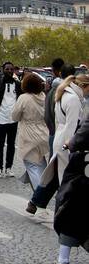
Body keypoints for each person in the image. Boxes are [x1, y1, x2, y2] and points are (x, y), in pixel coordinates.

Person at [26, 73, 89, 218]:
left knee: (58, 176)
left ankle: (37, 202)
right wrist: (71, 146)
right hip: (67, 140)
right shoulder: (73, 99)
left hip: (59, 138)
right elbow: (72, 126)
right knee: (65, 180)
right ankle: (62, 211)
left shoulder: (64, 94)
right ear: (83, 86)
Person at [43, 104, 89, 264]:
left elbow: (82, 136)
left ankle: (63, 261)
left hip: (84, 168)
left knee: (71, 210)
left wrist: (71, 142)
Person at [11, 72, 49, 198]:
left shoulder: (24, 98)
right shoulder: (44, 97)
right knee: (43, 167)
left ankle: (39, 198)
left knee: (32, 167)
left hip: (28, 135)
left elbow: (15, 116)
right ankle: (43, 192)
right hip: (44, 133)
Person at [0, 62, 20, 177]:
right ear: (3, 70)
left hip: (13, 119)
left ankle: (9, 167)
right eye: (7, 69)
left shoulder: (17, 84)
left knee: (11, 144)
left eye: (11, 69)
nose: (9, 71)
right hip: (1, 118)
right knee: (0, 144)